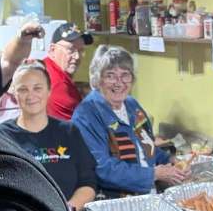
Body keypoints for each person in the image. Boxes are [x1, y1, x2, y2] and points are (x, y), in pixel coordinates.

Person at [71, 45, 186, 196]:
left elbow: (145, 147)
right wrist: (153, 174)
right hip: (112, 201)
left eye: (125, 75)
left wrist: (170, 160)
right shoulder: (87, 114)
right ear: (98, 80)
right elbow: (102, 168)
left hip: (146, 196)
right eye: (110, 76)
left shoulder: (131, 105)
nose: (119, 83)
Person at [0, 63, 97, 211]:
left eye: (37, 88)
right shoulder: (1, 136)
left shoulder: (69, 132)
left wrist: (68, 210)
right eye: (23, 89)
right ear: (14, 94)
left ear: (49, 91)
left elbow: (88, 183)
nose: (31, 95)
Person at [44, 22, 93, 121]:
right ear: (52, 50)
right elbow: (81, 126)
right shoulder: (59, 85)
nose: (77, 56)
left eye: (81, 50)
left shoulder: (45, 66)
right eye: (71, 49)